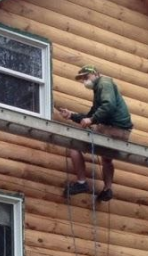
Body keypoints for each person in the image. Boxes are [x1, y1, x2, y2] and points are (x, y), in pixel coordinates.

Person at [57, 65, 133, 202]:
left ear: (96, 74)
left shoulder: (104, 83)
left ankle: (81, 183)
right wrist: (71, 116)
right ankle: (107, 189)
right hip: (122, 132)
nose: (85, 81)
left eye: (87, 77)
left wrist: (91, 120)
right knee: (106, 157)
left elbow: (107, 106)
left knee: (74, 144)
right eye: (82, 79)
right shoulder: (99, 90)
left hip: (112, 129)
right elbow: (91, 115)